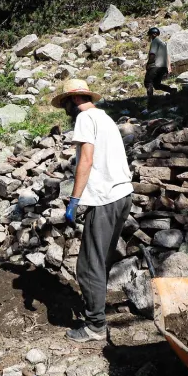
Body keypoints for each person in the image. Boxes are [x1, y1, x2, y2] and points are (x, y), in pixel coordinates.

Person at [51, 79, 133, 343]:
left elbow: (85, 160)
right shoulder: (105, 118)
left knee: (88, 265)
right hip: (123, 194)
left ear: (75, 99)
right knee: (101, 260)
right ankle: (97, 309)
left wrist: (74, 200)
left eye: (66, 104)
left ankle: (95, 325)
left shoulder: (85, 118)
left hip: (105, 198)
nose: (66, 110)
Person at [144, 26, 175, 108]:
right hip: (163, 67)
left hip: (155, 66)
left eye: (150, 35)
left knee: (148, 82)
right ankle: (172, 91)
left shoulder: (155, 42)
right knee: (156, 84)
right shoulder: (163, 43)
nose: (149, 37)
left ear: (153, 34)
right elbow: (168, 56)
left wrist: (148, 64)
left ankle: (150, 104)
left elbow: (152, 55)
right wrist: (168, 66)